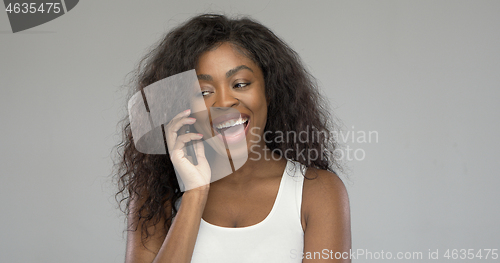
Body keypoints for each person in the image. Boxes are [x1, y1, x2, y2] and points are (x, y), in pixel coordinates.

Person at [115, 14, 351, 262]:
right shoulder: (155, 196)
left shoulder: (317, 191)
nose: (225, 102)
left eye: (240, 84)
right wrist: (195, 192)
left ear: (270, 91)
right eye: (204, 91)